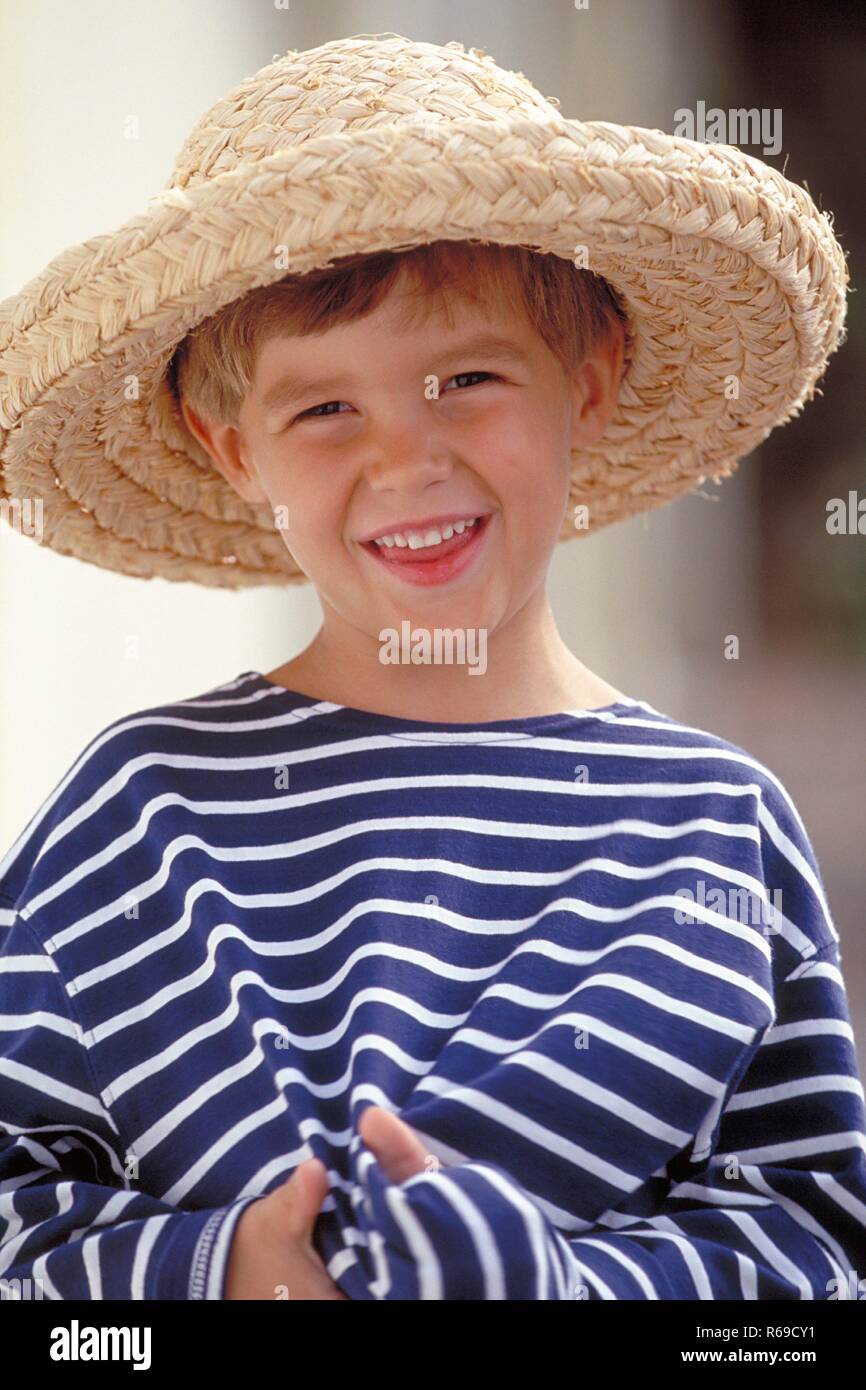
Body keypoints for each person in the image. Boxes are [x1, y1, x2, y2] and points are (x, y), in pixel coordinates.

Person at [1, 33, 864, 1302]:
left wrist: (555, 1291)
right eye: (323, 409)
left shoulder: (715, 831)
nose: (405, 459)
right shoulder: (133, 814)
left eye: (466, 377)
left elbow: (809, 1271)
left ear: (588, 379)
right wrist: (218, 1276)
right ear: (231, 448)